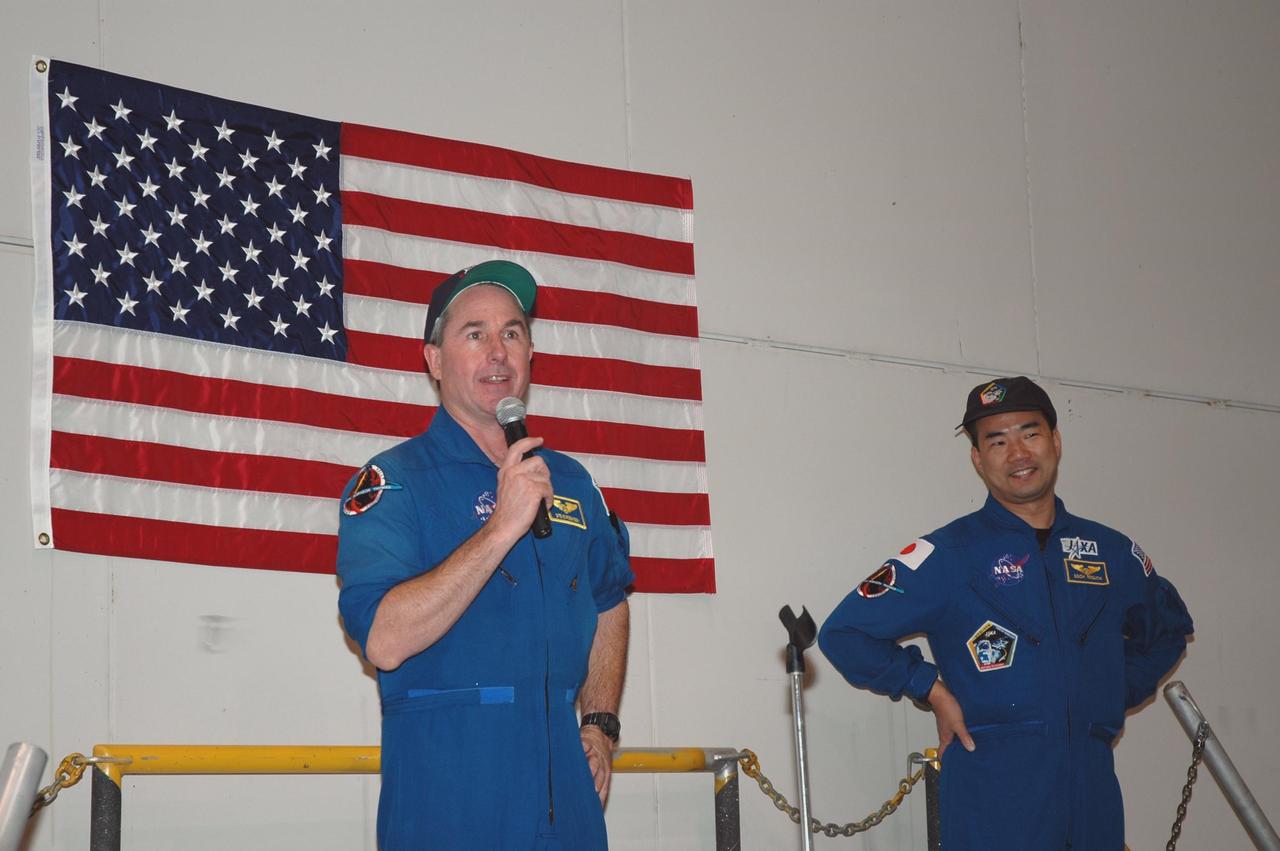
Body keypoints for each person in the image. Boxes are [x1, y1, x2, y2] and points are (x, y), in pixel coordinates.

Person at [819, 376, 1193, 850]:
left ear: (1055, 441)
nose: (1018, 453)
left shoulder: (1110, 552)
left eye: (1030, 433)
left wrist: (1107, 691)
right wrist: (929, 688)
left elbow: (1168, 631)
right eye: (997, 441)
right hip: (992, 793)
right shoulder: (949, 554)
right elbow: (844, 632)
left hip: (1092, 791)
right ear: (978, 459)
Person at [337, 260, 633, 851]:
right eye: (475, 334)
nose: (498, 352)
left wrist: (600, 724)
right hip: (451, 804)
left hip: (568, 809)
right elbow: (385, 640)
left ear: (530, 354)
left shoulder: (573, 483)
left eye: (512, 333)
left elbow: (609, 600)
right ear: (434, 361)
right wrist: (501, 527)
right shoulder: (394, 483)